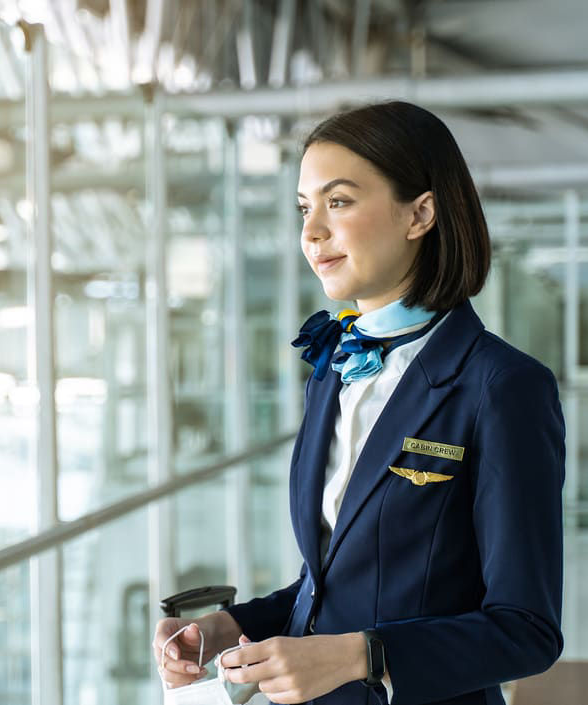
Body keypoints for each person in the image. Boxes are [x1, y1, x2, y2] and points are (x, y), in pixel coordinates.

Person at [152, 100, 566, 705]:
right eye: (304, 208)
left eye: (338, 201)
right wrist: (230, 628)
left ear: (420, 213)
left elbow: (527, 630)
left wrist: (363, 655)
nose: (311, 231)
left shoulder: (501, 385)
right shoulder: (331, 370)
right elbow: (333, 583)